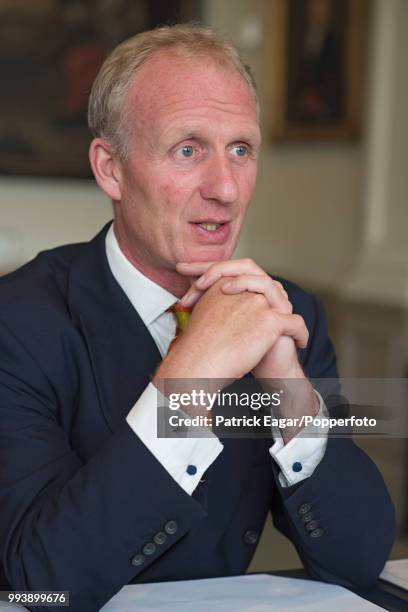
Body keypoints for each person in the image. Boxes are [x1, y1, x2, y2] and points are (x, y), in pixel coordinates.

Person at [0, 24, 394, 612]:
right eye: (188, 149)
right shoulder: (18, 322)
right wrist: (192, 376)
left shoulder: (287, 313)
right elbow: (39, 585)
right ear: (111, 169)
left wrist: (288, 389)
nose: (226, 189)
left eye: (241, 149)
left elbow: (359, 557)